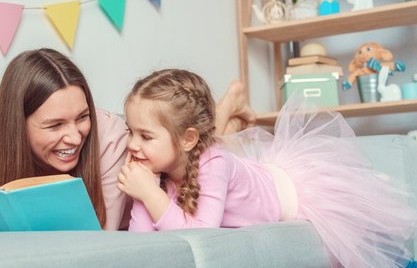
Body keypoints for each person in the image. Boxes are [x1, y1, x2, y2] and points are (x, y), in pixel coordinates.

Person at [117, 68, 417, 268]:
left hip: (290, 192)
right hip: (239, 175)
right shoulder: (161, 168)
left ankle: (370, 185)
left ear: (187, 139)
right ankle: (234, 112)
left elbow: (201, 234)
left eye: (145, 136)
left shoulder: (213, 163)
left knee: (362, 230)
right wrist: (143, 194)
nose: (132, 143)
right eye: (131, 131)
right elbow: (144, 244)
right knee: (219, 145)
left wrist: (148, 194)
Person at [0, 48, 256, 232]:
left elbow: (105, 239)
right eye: (54, 125)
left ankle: (226, 108)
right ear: (17, 125)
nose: (74, 136)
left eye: (82, 117)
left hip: (198, 165)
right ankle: (227, 108)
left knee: (204, 156)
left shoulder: (112, 137)